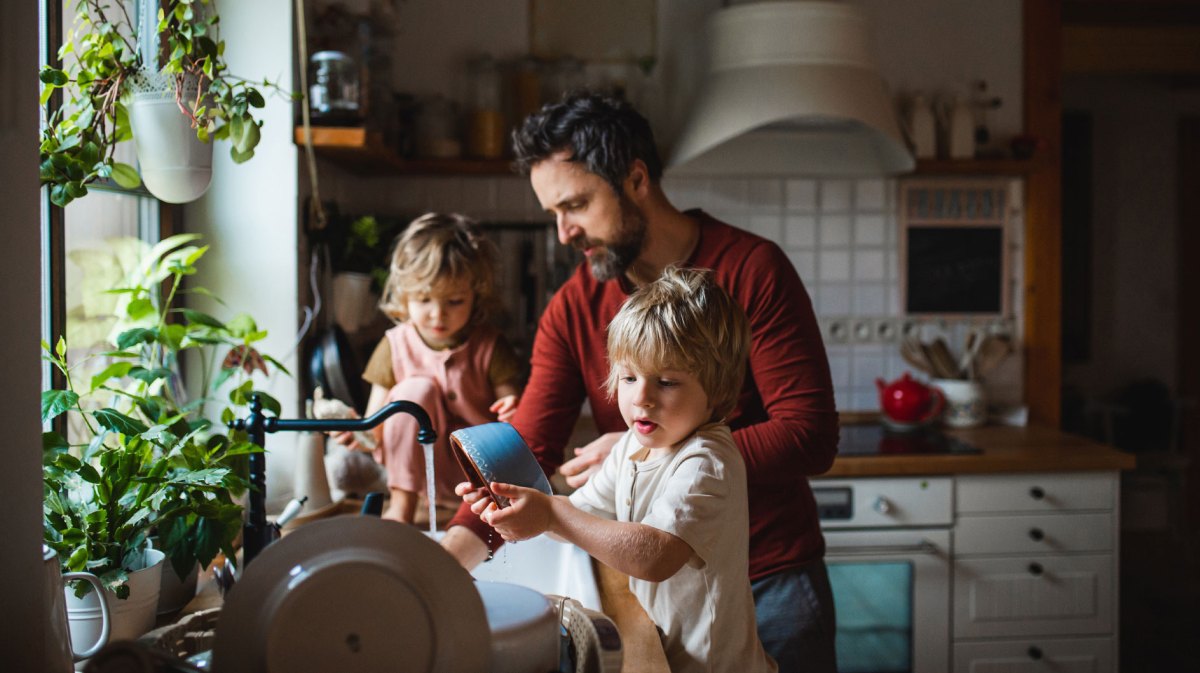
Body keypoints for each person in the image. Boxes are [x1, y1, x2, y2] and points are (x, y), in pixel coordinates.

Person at [441, 92, 839, 672]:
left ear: (635, 179)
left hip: (769, 579)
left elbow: (809, 434)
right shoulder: (575, 304)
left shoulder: (752, 270)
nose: (563, 233)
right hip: (659, 594)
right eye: (553, 212)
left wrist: (654, 452)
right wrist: (455, 553)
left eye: (575, 204)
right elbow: (524, 450)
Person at [475, 266, 775, 673]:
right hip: (669, 656)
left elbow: (655, 556)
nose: (642, 398)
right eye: (629, 377)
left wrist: (552, 513)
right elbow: (580, 516)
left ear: (718, 389)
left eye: (667, 382)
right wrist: (518, 510)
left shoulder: (706, 461)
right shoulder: (633, 446)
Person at [345, 212, 522, 522]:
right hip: (414, 475)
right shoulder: (394, 345)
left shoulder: (490, 345)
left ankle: (469, 508)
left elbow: (515, 413)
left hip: (479, 476)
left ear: (475, 296)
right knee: (413, 392)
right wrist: (356, 430)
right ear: (404, 295)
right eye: (424, 299)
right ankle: (402, 506)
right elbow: (376, 427)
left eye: (454, 301)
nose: (437, 314)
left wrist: (513, 409)